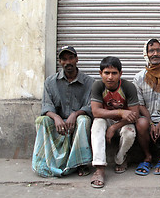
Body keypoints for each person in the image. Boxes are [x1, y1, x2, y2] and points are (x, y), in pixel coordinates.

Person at [32, 46, 94, 177]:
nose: (68, 62)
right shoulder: (50, 82)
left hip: (77, 121)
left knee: (84, 120)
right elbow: (46, 106)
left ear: (77, 59)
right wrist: (55, 117)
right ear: (60, 62)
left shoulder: (89, 82)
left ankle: (81, 164)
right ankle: (45, 162)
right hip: (58, 122)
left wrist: (75, 114)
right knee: (41, 120)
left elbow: (90, 107)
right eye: (64, 59)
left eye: (71, 58)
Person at [90, 56, 139, 188]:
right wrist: (120, 112)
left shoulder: (128, 87)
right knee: (97, 124)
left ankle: (120, 159)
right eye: (106, 73)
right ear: (101, 74)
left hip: (124, 122)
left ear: (120, 74)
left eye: (114, 73)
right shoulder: (98, 85)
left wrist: (114, 127)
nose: (110, 77)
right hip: (108, 119)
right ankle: (99, 167)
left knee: (129, 133)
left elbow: (134, 114)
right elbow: (96, 112)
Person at [133, 39, 160, 176]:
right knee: (141, 123)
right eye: (151, 51)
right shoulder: (139, 77)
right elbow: (140, 104)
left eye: (158, 50)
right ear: (146, 54)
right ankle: (147, 157)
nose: (155, 54)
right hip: (147, 118)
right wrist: (152, 123)